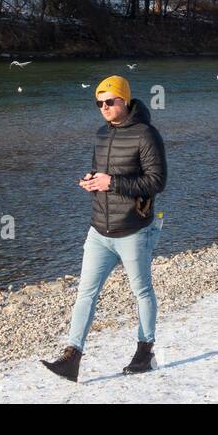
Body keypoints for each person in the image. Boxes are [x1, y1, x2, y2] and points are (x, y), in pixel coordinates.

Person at [42, 75, 167, 382]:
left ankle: (145, 351)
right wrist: (91, 181)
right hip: (98, 230)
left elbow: (156, 182)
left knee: (141, 291)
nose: (105, 108)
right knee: (85, 293)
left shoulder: (147, 135)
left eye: (110, 102)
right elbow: (101, 173)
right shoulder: (100, 135)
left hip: (134, 229)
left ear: (125, 100)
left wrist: (113, 183)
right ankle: (72, 357)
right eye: (99, 103)